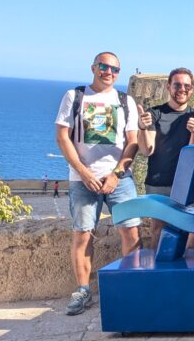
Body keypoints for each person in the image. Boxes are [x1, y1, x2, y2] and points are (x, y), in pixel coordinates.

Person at [54, 51, 141, 316]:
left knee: (131, 231)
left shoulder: (125, 101)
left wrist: (116, 174)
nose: (109, 72)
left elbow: (132, 143)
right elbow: (63, 137)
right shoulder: (75, 96)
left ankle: (131, 285)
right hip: (83, 179)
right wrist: (83, 172)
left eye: (115, 69)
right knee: (82, 234)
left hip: (119, 179)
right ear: (93, 67)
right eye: (104, 66)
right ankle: (82, 290)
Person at [137, 67, 194, 248]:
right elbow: (146, 150)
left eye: (186, 86)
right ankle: (158, 266)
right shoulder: (154, 113)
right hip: (159, 183)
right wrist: (142, 128)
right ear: (168, 87)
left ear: (192, 89)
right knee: (159, 230)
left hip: (188, 183)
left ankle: (188, 267)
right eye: (177, 85)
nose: (182, 89)